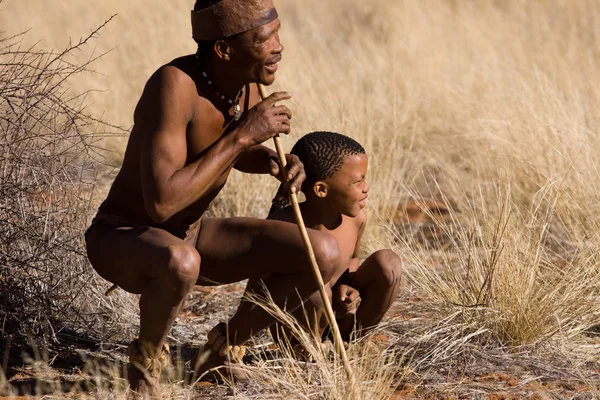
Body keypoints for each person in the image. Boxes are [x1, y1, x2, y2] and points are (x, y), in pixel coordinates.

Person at [84, 0, 342, 396]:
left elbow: (237, 155)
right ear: (224, 49)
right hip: (124, 237)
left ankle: (218, 352)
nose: (278, 47)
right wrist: (241, 136)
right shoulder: (173, 85)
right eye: (263, 38)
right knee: (180, 261)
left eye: (277, 33)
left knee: (322, 252)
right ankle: (145, 367)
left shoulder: (246, 81)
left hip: (192, 235)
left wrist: (277, 161)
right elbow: (163, 204)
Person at [267, 131, 403, 350]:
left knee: (389, 263)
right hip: (298, 326)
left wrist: (349, 290)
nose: (366, 188)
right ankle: (309, 348)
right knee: (316, 292)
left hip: (340, 317)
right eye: (358, 181)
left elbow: (354, 259)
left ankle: (352, 342)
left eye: (365, 179)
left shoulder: (357, 218)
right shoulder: (285, 223)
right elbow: (266, 287)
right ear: (321, 189)